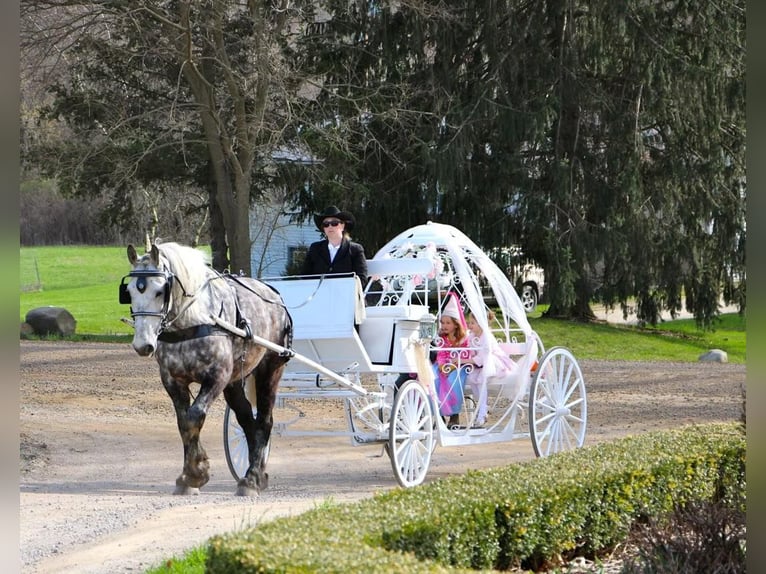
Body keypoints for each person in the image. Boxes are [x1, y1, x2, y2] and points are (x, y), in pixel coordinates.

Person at [465, 309, 517, 427]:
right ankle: (482, 405)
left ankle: (482, 411)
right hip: (479, 364)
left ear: (481, 323)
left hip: (493, 362)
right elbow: (471, 352)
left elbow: (484, 356)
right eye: (470, 322)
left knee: (481, 380)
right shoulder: (472, 336)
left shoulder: (486, 336)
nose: (470, 325)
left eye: (473, 323)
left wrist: (468, 360)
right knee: (472, 378)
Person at [431, 292, 471, 428]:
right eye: (442, 322)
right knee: (433, 378)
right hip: (443, 365)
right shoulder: (443, 338)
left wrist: (454, 363)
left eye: (448, 323)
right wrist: (442, 364)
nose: (444, 326)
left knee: (454, 380)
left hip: (460, 365)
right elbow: (441, 353)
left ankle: (454, 414)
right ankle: (439, 414)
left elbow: (466, 354)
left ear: (456, 324)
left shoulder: (463, 339)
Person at [301, 206, 368, 286]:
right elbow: (305, 277)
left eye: (334, 223)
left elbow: (361, 279)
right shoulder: (315, 248)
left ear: (343, 226)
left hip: (347, 296)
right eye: (326, 224)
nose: (330, 226)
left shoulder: (355, 250)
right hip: (320, 295)